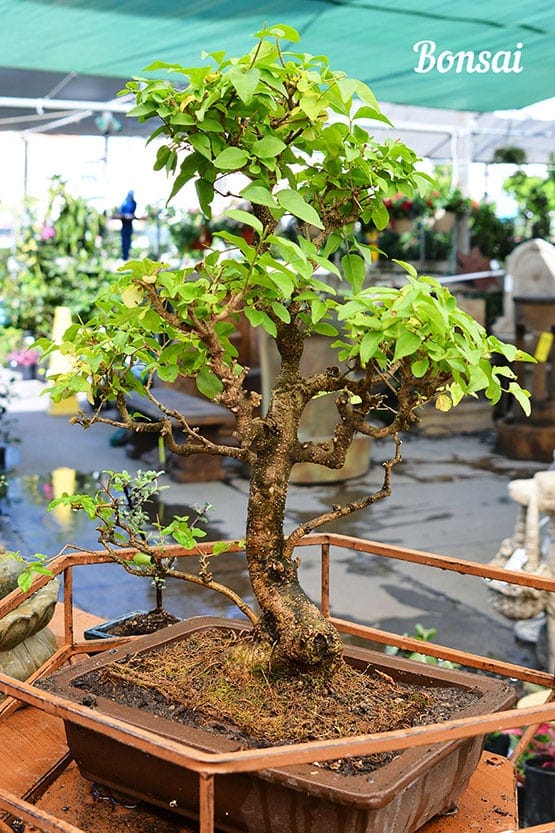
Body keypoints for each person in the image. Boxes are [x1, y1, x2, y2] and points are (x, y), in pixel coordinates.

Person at [118, 190, 137, 259]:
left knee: (128, 240)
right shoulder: (124, 202)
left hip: (129, 224)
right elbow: (120, 212)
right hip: (124, 224)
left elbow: (133, 212)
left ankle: (127, 255)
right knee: (124, 240)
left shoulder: (134, 203)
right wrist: (124, 216)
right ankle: (124, 256)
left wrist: (131, 216)